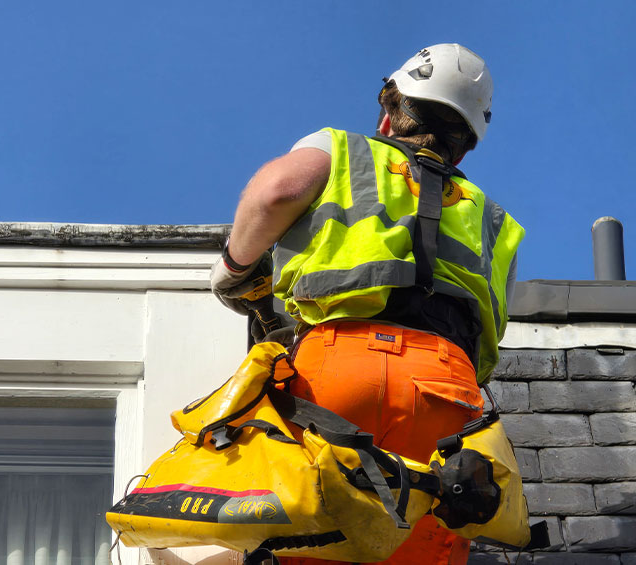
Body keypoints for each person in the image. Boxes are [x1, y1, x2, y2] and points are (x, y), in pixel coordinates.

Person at [211, 44, 525, 565]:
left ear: (389, 112)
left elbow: (275, 194)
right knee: (423, 548)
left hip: (337, 365)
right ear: (464, 148)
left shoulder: (342, 149)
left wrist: (233, 269)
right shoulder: (494, 222)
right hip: (448, 391)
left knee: (291, 533)